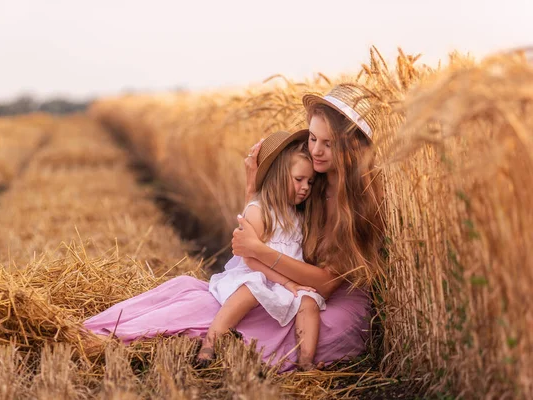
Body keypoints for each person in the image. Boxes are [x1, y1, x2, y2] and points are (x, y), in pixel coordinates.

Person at [83, 83, 384, 371]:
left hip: (330, 310)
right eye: (313, 139)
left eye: (328, 143)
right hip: (293, 288)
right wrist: (252, 190)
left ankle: (118, 336)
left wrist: (259, 252)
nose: (316, 150)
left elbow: (327, 284)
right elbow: (275, 225)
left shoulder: (356, 200)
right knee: (188, 289)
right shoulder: (315, 181)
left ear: (351, 145)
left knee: (217, 314)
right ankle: (102, 330)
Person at [197, 132, 323, 370]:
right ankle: (210, 342)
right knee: (250, 290)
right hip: (255, 273)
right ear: (277, 176)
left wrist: (294, 285)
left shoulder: (299, 216)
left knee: (310, 302)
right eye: (299, 179)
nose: (305, 187)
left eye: (310, 182)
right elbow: (251, 258)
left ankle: (306, 361)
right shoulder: (258, 210)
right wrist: (287, 284)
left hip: (287, 281)